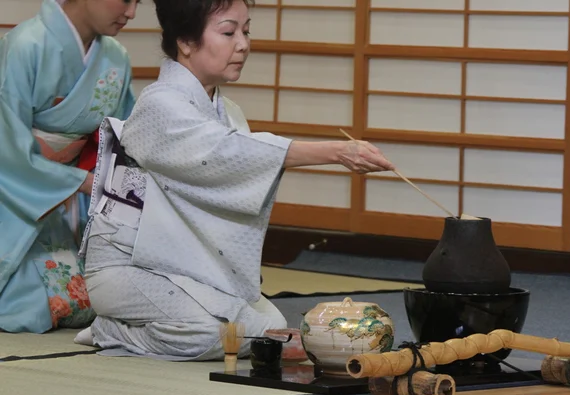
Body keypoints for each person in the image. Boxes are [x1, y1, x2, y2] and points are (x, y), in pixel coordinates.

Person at [74, 0, 395, 361]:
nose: (242, 44)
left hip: (184, 265)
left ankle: (204, 324)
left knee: (270, 323)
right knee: (210, 333)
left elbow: (231, 173)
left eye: (246, 31)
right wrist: (333, 152)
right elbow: (223, 154)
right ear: (185, 42)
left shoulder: (229, 113)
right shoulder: (158, 106)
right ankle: (109, 330)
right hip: (128, 265)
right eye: (228, 32)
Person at [0, 0, 139, 333]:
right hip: (16, 195)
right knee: (34, 305)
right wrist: (80, 181)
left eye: (139, 2)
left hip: (79, 201)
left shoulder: (116, 57)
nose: (132, 12)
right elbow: (6, 150)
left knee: (106, 296)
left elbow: (122, 139)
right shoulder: (24, 46)